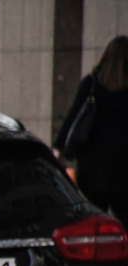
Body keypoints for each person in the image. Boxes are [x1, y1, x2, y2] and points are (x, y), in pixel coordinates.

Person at [55, 35, 128, 222]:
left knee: (92, 220)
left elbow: (74, 117)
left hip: (93, 166)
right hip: (123, 166)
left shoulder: (92, 85)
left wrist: (61, 149)